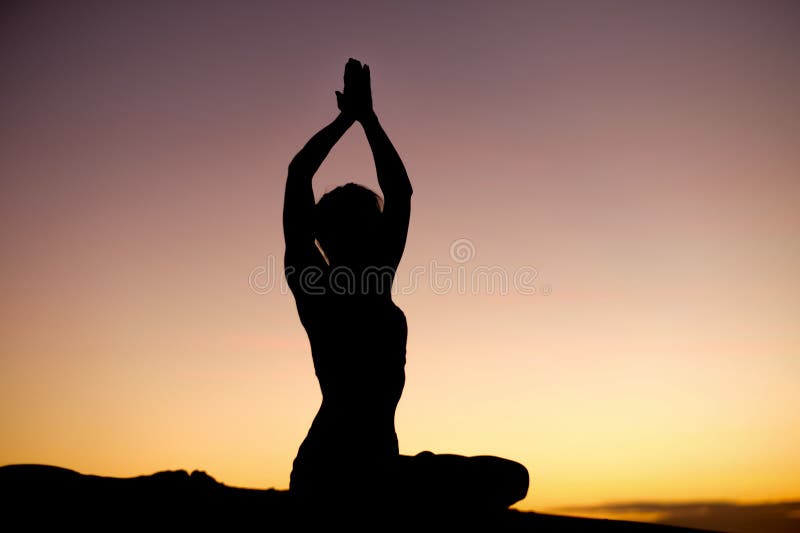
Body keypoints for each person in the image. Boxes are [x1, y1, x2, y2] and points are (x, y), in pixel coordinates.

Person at [283, 58, 528, 511]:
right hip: (335, 471)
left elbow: (393, 193)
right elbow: (306, 178)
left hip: (375, 464)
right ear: (336, 235)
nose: (378, 230)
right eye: (367, 223)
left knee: (510, 477)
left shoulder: (359, 281)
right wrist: (357, 118)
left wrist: (358, 118)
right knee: (502, 481)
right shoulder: (324, 285)